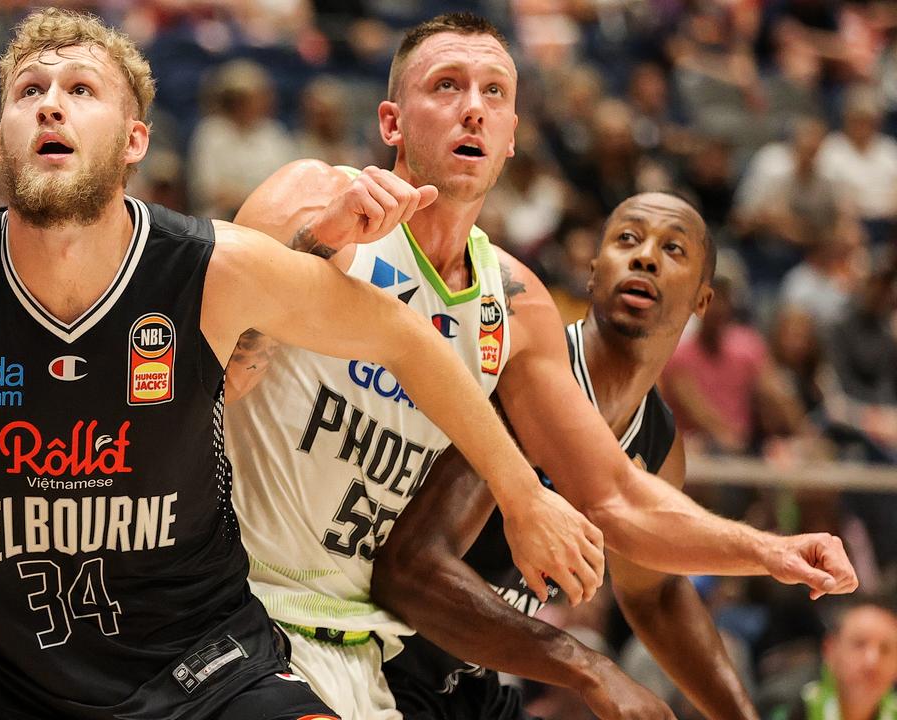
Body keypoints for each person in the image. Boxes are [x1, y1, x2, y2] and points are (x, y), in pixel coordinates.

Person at [0, 8, 598, 719]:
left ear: (136, 141)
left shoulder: (206, 271)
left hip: (200, 666)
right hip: (6, 686)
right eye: (29, 92)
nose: (52, 104)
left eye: (80, 89)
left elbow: (404, 338)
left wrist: (522, 494)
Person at [226, 12, 858, 719]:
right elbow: (207, 371)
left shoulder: (516, 305)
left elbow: (616, 497)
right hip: (235, 612)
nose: (473, 106)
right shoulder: (314, 195)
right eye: (446, 85)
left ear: (513, 137)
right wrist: (313, 246)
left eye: (494, 92)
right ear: (392, 123)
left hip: (357, 647)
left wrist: (768, 550)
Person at [380, 193, 759, 720]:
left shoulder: (657, 440)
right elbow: (409, 568)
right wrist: (592, 669)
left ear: (702, 300)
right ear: (593, 272)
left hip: (467, 678)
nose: (644, 256)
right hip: (383, 659)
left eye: (672, 248)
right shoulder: (522, 378)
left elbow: (655, 594)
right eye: (627, 239)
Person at [779, 601, 897, 720]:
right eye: (859, 644)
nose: (872, 661)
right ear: (830, 649)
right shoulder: (787, 704)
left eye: (885, 649)